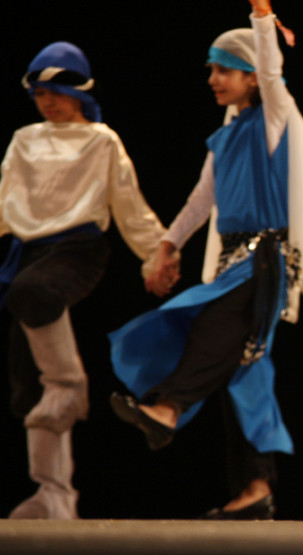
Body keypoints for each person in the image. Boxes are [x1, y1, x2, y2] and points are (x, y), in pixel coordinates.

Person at [108, 0, 303, 520]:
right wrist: (166, 247)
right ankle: (256, 487)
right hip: (236, 263)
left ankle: (168, 407)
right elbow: (200, 201)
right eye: (211, 69)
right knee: (244, 375)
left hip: (266, 260)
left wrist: (260, 15)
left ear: (253, 77)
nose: (213, 78)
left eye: (224, 69)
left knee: (208, 328)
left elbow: (275, 73)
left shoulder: (276, 121)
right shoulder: (226, 134)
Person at [0, 41, 167, 518]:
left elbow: (129, 206)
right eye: (39, 93)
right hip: (28, 254)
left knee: (33, 294)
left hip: (78, 249)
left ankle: (69, 383)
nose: (47, 101)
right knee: (26, 388)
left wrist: (158, 254)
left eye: (56, 91)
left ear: (79, 92)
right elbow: (4, 201)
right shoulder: (23, 139)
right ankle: (55, 494)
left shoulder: (101, 139)